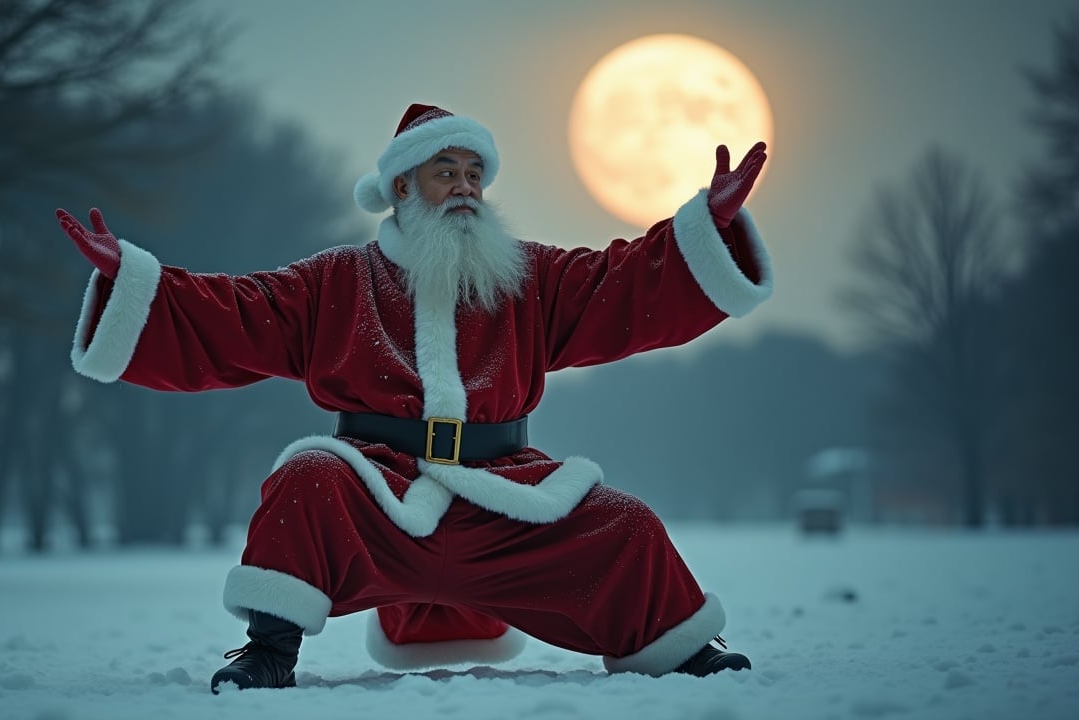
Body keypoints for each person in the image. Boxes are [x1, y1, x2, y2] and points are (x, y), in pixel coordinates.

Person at [56, 103, 773, 692]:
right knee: (307, 478)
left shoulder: (528, 278)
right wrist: (138, 285)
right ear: (402, 187)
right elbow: (239, 312)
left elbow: (623, 283)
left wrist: (702, 232)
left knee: (624, 522)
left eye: (473, 174)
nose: (464, 187)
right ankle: (268, 653)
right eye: (445, 172)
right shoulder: (337, 279)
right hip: (377, 495)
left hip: (505, 501)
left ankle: (683, 651)